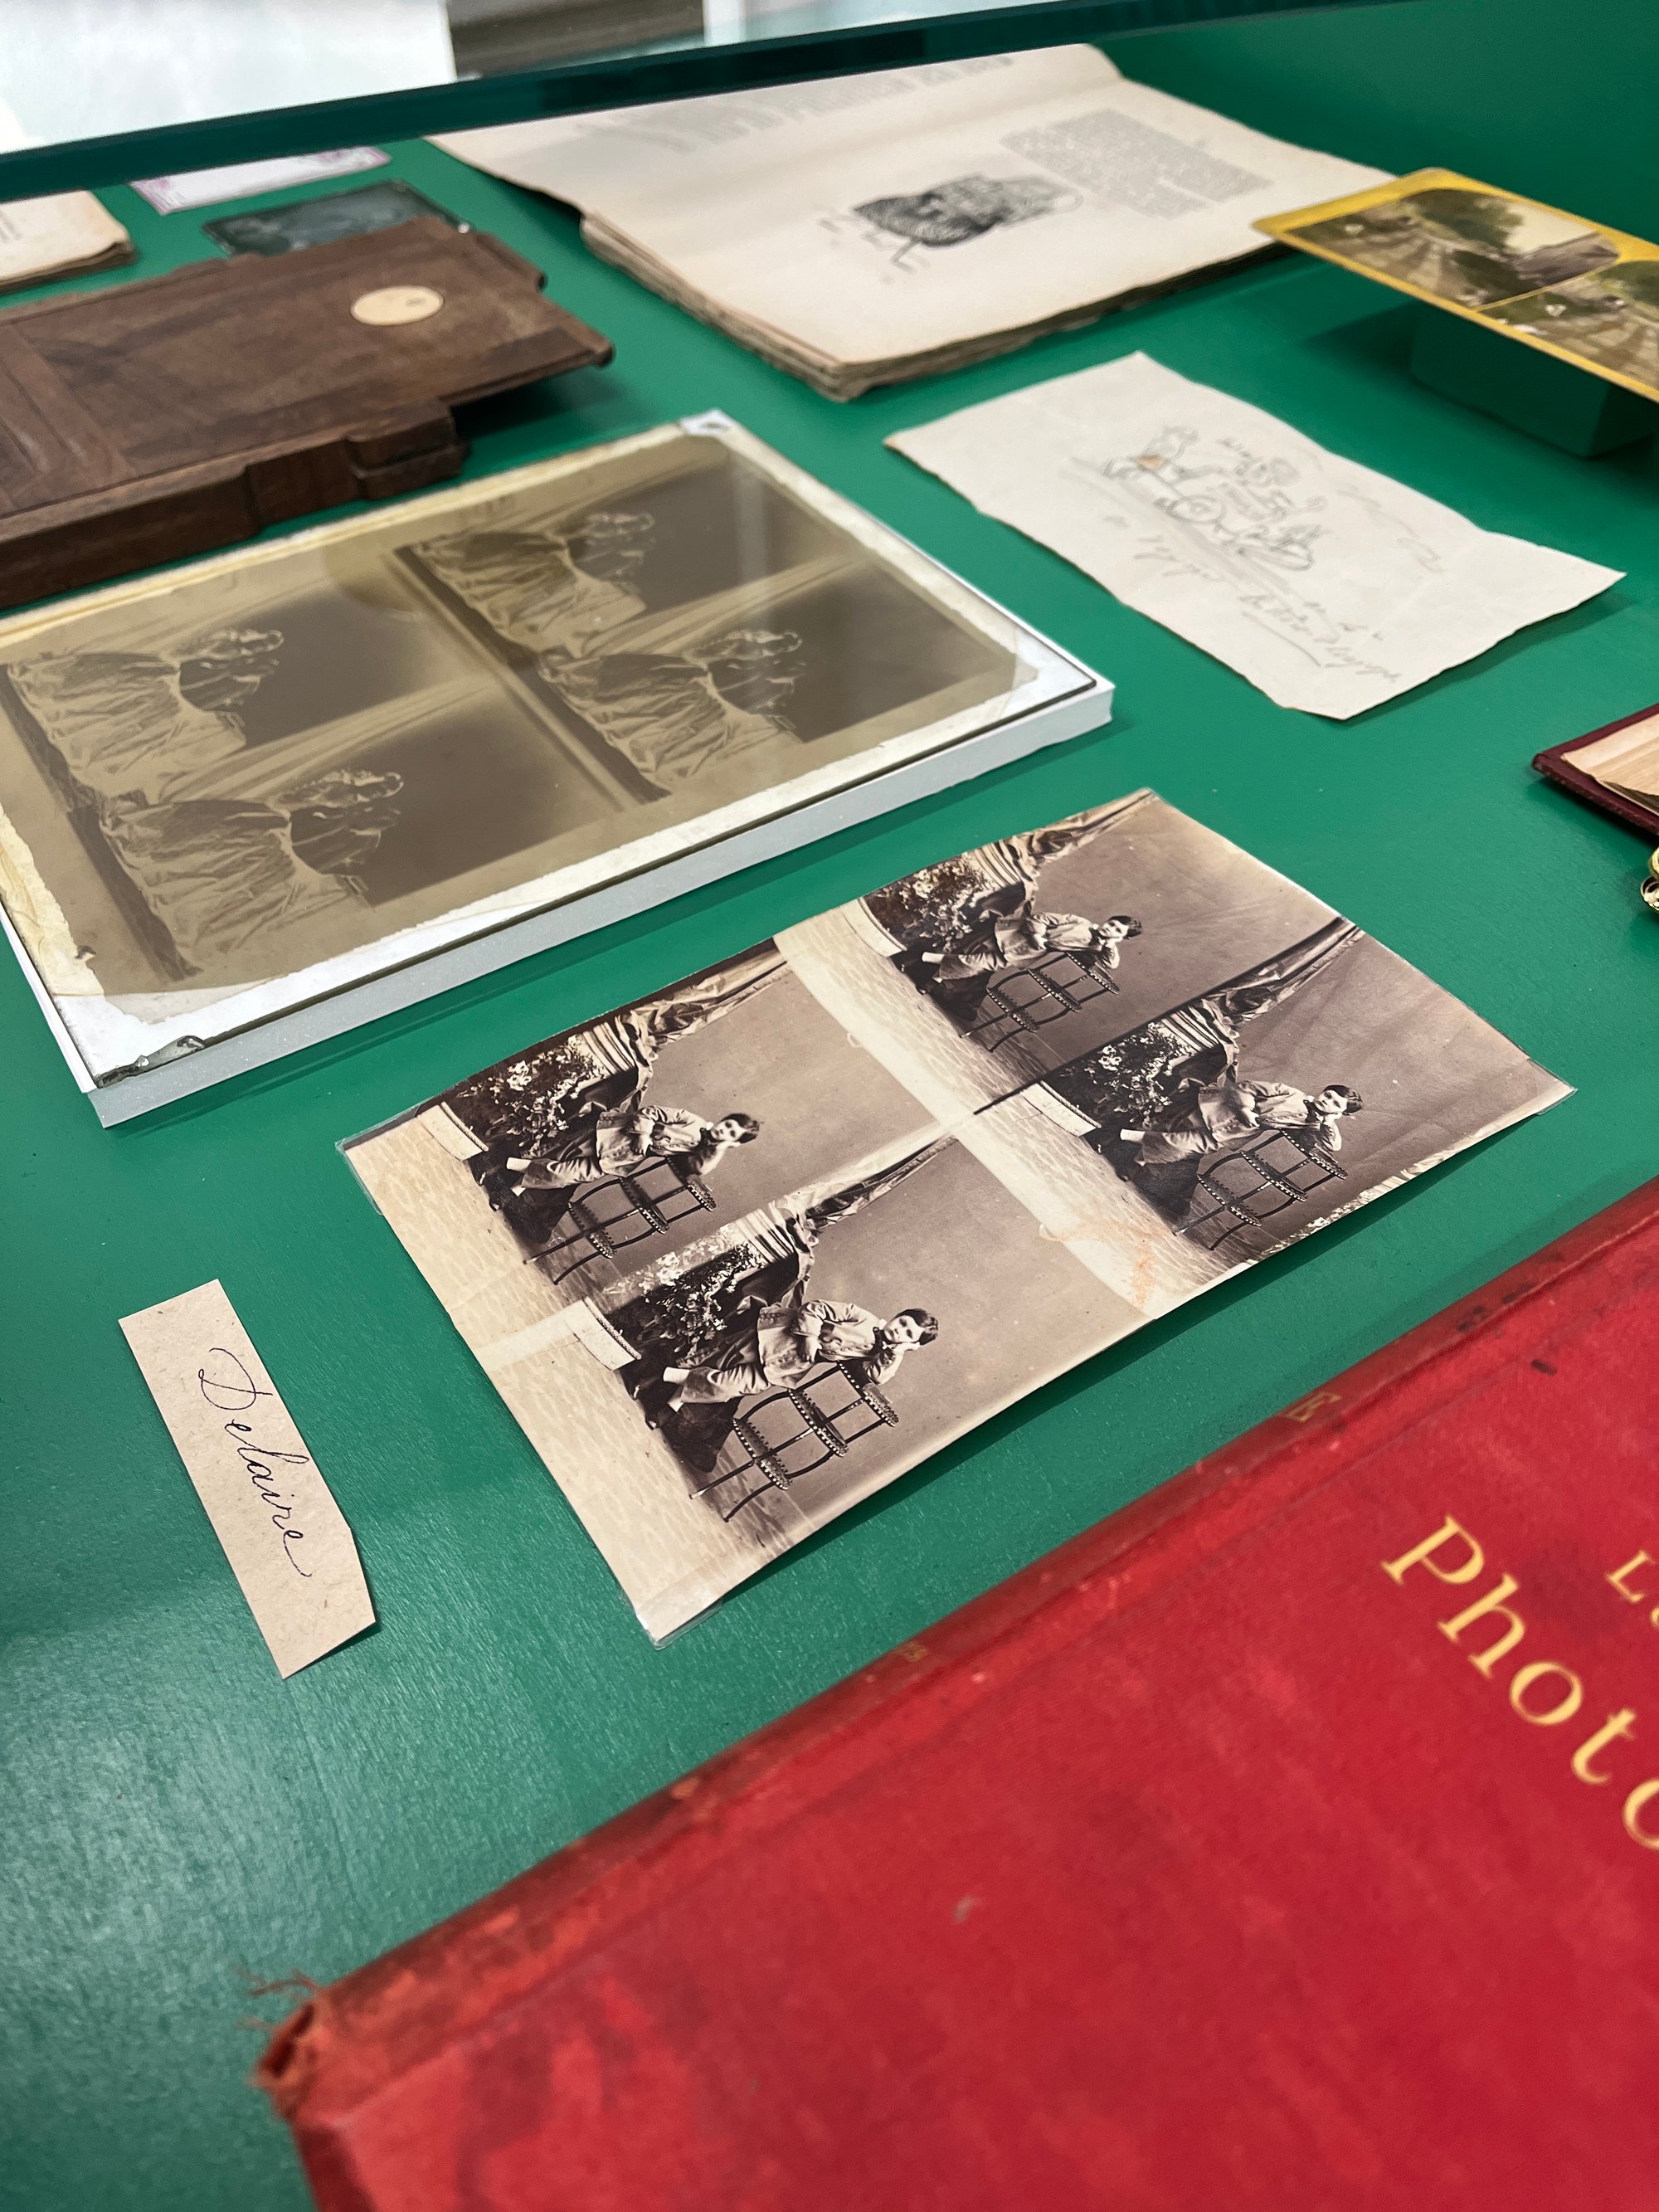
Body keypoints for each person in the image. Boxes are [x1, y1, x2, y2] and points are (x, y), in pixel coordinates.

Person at [1119, 1079, 1363, 1220]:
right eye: (1328, 1095)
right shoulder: (1291, 1093)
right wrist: (1246, 1109)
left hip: (1232, 1133)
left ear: (1340, 1113)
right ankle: (1132, 1151)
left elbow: (1333, 1145)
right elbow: (1247, 1088)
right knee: (1177, 1139)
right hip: (1220, 1111)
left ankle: (1125, 1140)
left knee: (1180, 1146)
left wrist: (1329, 1123)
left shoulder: (1313, 1123)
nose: (1327, 1101)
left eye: (1335, 1104)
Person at [473, 1105, 760, 1211]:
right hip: (613, 1134)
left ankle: (502, 1163)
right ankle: (509, 1186)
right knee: (558, 1163)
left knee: (562, 1176)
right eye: (727, 1124)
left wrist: (720, 1148)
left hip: (620, 1158)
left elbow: (699, 1169)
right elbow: (650, 1111)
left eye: (731, 1134)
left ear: (733, 1143)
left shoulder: (705, 1150)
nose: (724, 1130)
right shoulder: (692, 1120)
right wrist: (644, 1134)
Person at [903, 907, 1142, 1023]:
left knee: (973, 965)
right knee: (970, 958)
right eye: (1112, 924)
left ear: (1121, 938)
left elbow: (1111, 964)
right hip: (1016, 935)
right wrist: (1038, 934)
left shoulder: (1098, 946)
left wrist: (1111, 943)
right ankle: (931, 977)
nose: (1110, 929)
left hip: (1022, 953)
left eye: (1117, 931)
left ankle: (923, 959)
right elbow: (1041, 917)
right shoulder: (1080, 922)